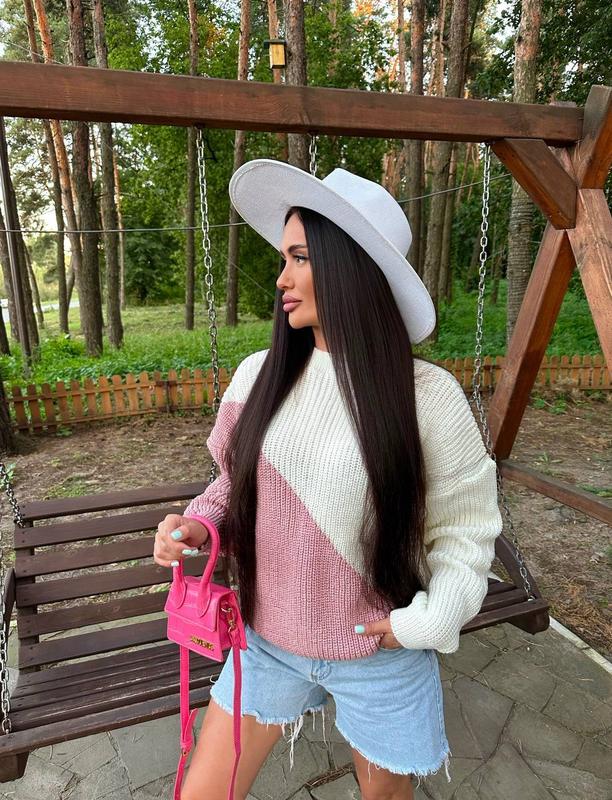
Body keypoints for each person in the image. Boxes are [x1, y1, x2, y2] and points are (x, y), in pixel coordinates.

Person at [153, 159, 503, 800]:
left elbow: (466, 531)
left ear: (349, 267)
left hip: (380, 651)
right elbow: (232, 484)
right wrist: (197, 524)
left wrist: (428, 623)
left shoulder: (428, 397)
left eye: (299, 258)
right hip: (266, 640)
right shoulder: (257, 375)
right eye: (282, 258)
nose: (280, 278)